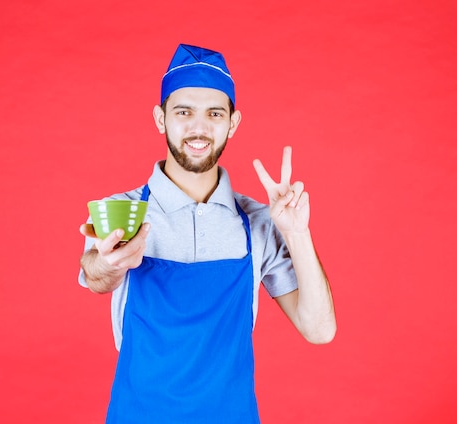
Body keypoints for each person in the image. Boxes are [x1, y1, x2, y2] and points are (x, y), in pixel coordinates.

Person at [78, 43, 336, 423]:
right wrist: (110, 262)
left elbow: (319, 330)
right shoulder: (124, 210)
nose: (199, 128)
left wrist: (297, 234)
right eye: (184, 112)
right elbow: (95, 274)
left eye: (214, 114)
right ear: (160, 118)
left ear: (232, 123)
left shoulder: (259, 222)